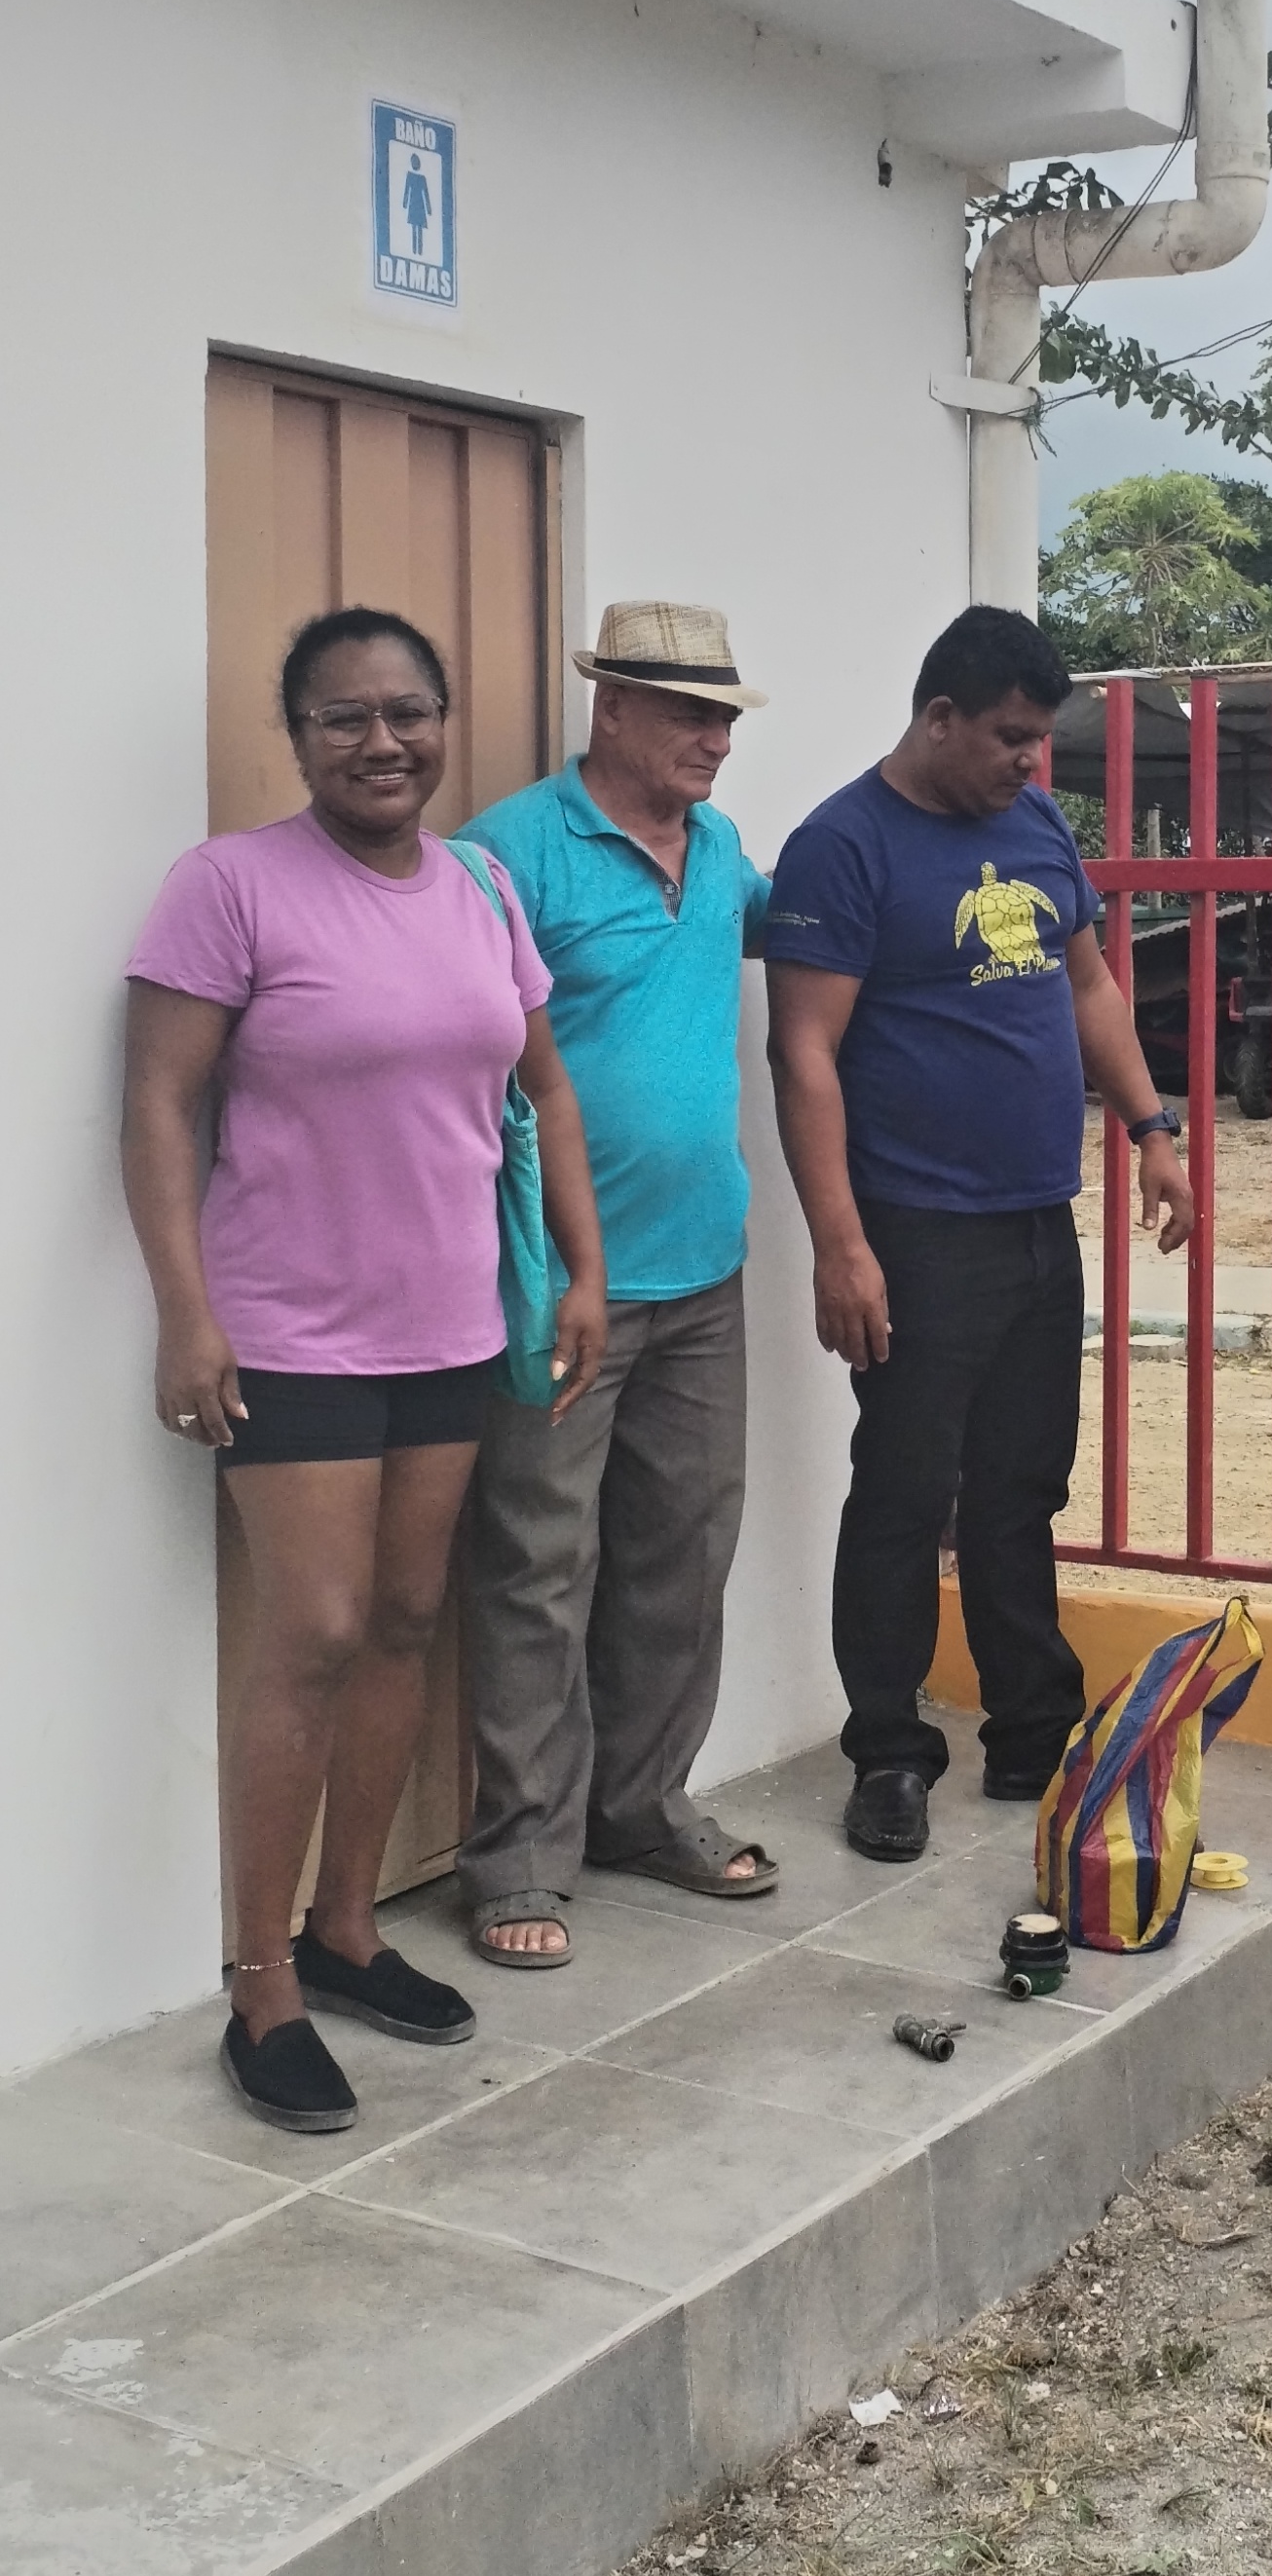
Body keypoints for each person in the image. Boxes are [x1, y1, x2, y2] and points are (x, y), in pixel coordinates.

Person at [123, 612, 606, 2137]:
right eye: (344, 718)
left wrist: (583, 1272)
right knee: (316, 1631)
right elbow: (158, 1104)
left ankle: (346, 1929)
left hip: (452, 1326)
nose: (381, 742)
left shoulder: (481, 889)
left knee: (405, 1619)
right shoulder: (230, 887)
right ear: (301, 737)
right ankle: (260, 1978)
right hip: (290, 1331)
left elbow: (543, 1088)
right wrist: (184, 1312)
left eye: (408, 712)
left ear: (443, 723)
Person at [764, 604, 1193, 1858]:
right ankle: (888, 1753)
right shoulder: (843, 845)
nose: (1027, 760)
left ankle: (1031, 1735)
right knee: (905, 1491)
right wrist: (840, 1244)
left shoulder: (1036, 825)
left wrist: (1152, 1129)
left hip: (1032, 1217)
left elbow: (1088, 983)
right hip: (914, 1227)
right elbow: (803, 1052)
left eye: (1037, 739)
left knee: (1018, 1485)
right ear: (938, 717)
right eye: (1008, 737)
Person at [456, 603, 775, 1966]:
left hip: (706, 1271)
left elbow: (820, 937)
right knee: (537, 1568)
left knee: (680, 1559)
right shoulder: (504, 856)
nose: (716, 740)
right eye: (690, 713)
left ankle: (642, 1809)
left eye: (725, 717)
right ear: (613, 710)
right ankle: (521, 1858)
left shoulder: (723, 852)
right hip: (557, 1289)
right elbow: (472, 1065)